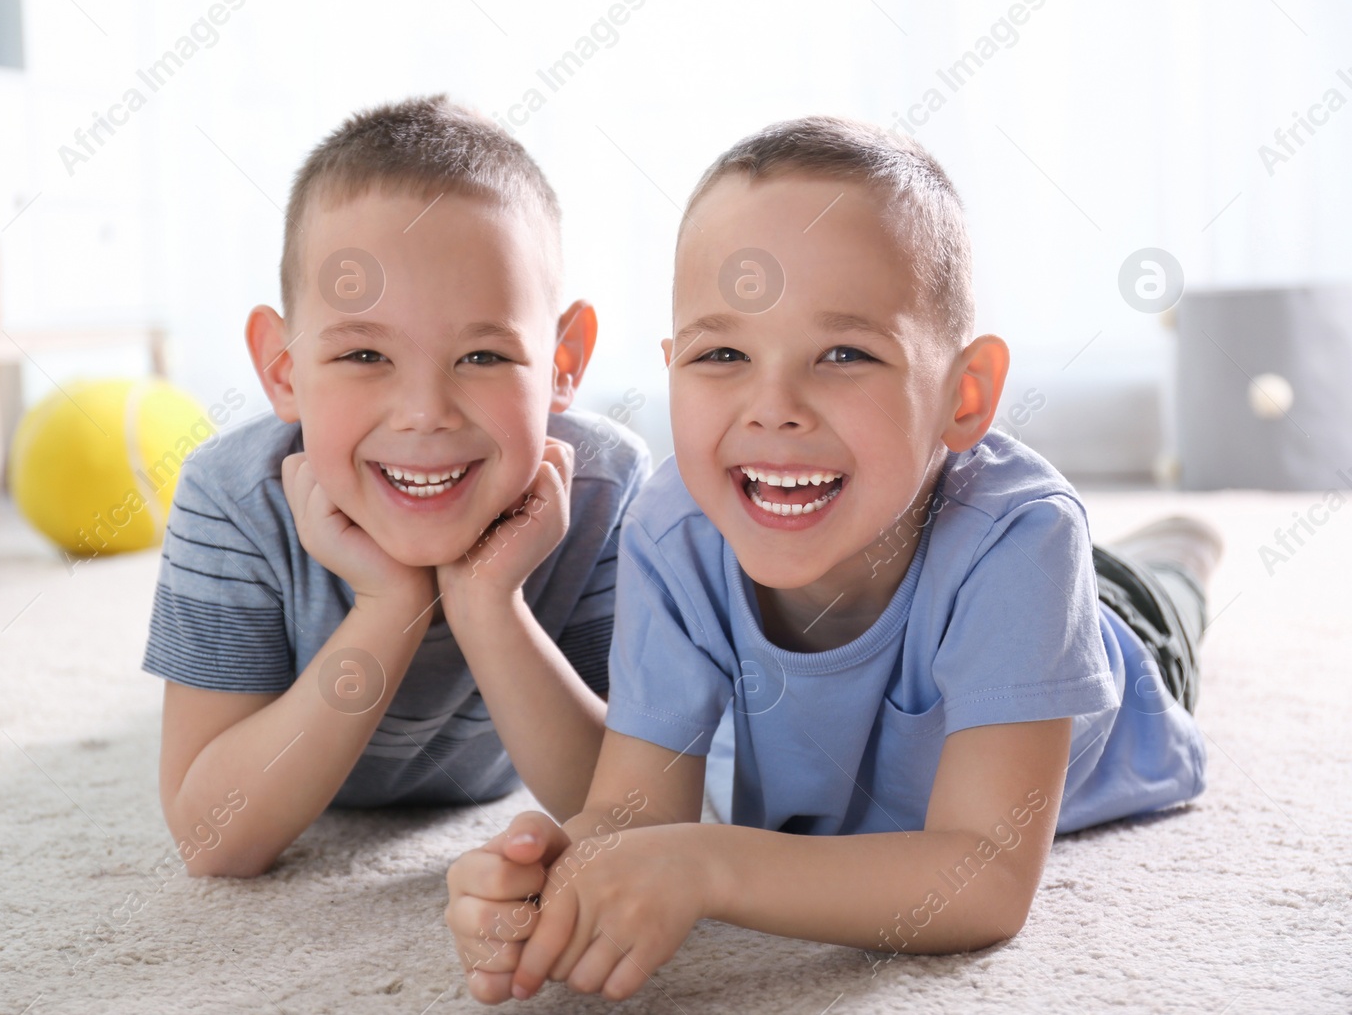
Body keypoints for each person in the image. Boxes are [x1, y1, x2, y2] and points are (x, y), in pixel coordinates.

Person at [443, 115, 1217, 1003]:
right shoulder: (674, 526)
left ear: (964, 396)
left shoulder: (1024, 538)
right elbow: (635, 818)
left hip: (1115, 645)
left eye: (844, 353)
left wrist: (710, 867)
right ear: (671, 367)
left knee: (1160, 591)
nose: (773, 406)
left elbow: (985, 880)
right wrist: (548, 880)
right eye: (722, 352)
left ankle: (1181, 549)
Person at [144, 95, 649, 877]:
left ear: (564, 361)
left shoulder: (604, 490)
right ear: (283, 370)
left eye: (483, 357)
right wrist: (389, 608)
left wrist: (489, 603)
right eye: (363, 357)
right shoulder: (229, 496)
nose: (424, 414)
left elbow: (625, 813)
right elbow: (215, 839)